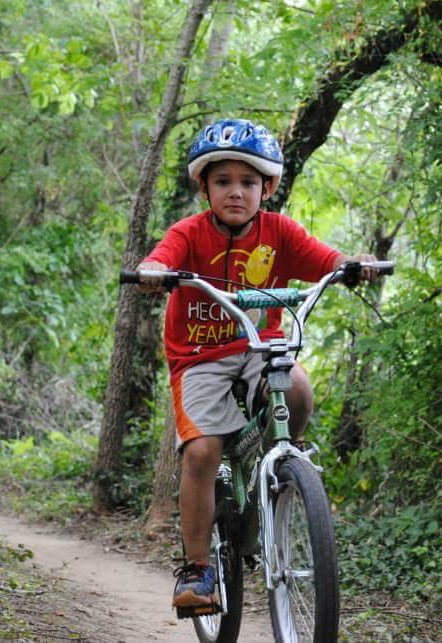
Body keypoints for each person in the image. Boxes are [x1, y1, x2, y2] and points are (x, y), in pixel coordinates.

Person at [136, 118, 378, 609]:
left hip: (256, 347)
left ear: (266, 187)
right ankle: (198, 570)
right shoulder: (188, 233)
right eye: (222, 181)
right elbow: (163, 256)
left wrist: (351, 265)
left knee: (298, 389)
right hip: (198, 358)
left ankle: (280, 467)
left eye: (248, 182)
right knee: (202, 453)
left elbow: (324, 258)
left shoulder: (280, 233)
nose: (235, 193)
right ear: (204, 186)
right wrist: (155, 271)